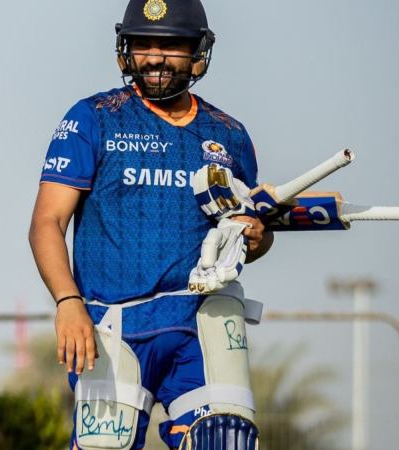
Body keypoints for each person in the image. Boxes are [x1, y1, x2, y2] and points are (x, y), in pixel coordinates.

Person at [29, 1, 272, 448]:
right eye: (144, 44)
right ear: (126, 50)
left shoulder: (230, 134)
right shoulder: (93, 118)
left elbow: (248, 236)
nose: (155, 57)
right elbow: (47, 221)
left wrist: (257, 237)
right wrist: (67, 301)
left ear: (197, 52)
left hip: (201, 321)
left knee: (225, 439)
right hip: (112, 323)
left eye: (171, 45)